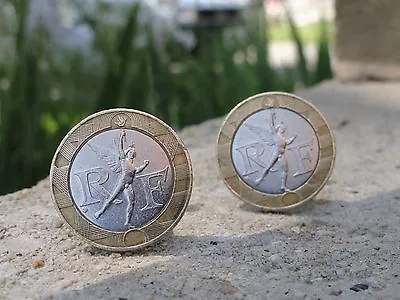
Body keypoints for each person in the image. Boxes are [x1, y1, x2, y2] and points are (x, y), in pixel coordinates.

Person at [94, 130, 149, 226]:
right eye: (130, 152)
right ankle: (100, 212)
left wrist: (145, 165)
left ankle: (127, 222)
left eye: (133, 152)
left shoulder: (133, 166)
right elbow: (120, 148)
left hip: (128, 186)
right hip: (122, 183)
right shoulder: (124, 161)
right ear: (128, 153)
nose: (132, 153)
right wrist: (122, 137)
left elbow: (137, 170)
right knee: (111, 198)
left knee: (131, 203)